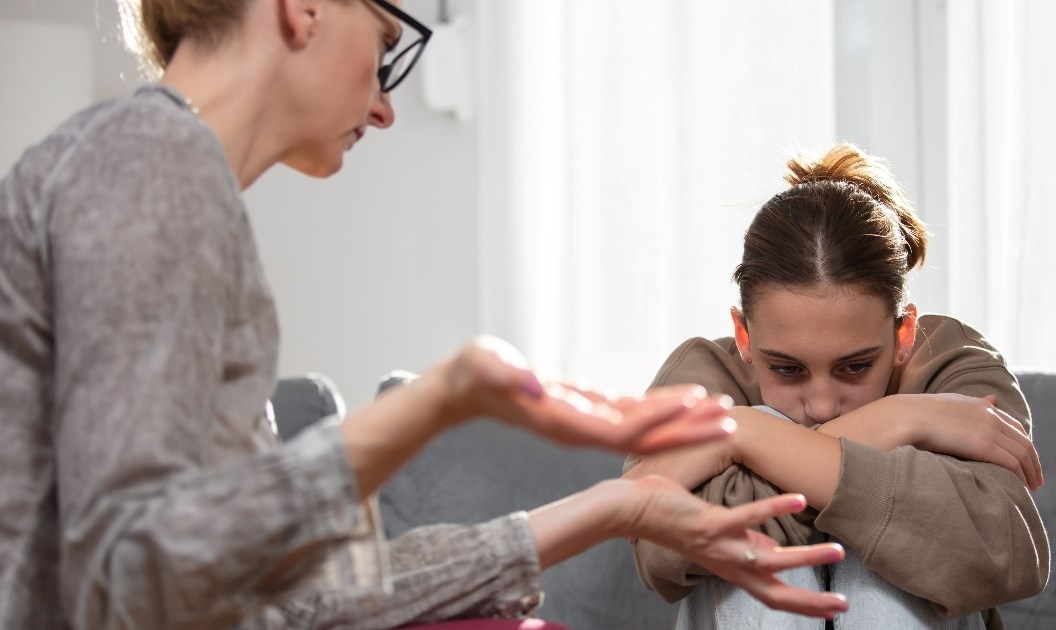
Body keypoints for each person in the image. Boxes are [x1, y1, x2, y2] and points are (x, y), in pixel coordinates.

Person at [0, 1, 852, 628]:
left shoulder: (169, 182)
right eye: (385, 49)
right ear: (304, 11)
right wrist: (435, 401)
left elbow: (298, 602)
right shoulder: (146, 167)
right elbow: (129, 580)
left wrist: (617, 508)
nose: (383, 106)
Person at [624, 144, 1051, 628]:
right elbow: (661, 554)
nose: (822, 404)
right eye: (786, 369)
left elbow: (1001, 554)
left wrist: (746, 439)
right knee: (748, 562)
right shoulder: (702, 375)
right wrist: (902, 420)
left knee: (896, 557)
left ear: (903, 333)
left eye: (855, 367)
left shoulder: (953, 362)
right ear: (744, 335)